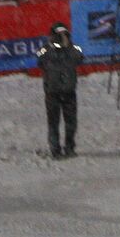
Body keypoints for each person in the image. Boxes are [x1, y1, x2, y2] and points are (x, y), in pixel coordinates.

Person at [36, 21, 83, 159]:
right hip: (52, 92)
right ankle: (55, 150)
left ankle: (69, 148)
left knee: (71, 123)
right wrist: (52, 46)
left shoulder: (74, 48)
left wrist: (67, 45)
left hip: (69, 91)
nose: (61, 38)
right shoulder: (45, 49)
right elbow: (39, 58)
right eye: (58, 35)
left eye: (64, 35)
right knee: (53, 122)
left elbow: (80, 57)